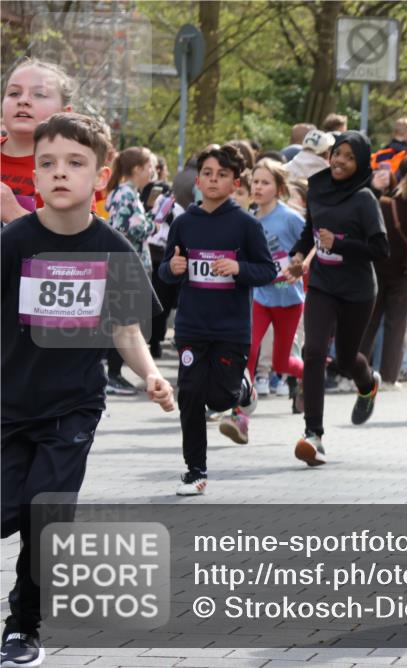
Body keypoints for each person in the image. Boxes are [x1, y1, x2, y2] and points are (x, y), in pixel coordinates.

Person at [1, 113, 175, 667]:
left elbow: (126, 330)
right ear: (34, 173)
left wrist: (149, 373)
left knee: (45, 516)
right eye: (46, 163)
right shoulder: (13, 242)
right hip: (6, 405)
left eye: (74, 164)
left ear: (100, 177)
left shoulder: (113, 250)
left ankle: (24, 627)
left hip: (70, 410)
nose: (59, 173)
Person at [158, 144, 277, 494]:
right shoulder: (182, 223)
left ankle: (242, 388)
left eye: (222, 175)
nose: (213, 180)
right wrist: (172, 268)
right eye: (208, 174)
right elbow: (166, 270)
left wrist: (239, 268)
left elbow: (267, 270)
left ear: (234, 183)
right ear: (198, 180)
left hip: (231, 327)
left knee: (220, 399)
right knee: (191, 396)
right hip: (192, 325)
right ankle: (196, 472)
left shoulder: (245, 225)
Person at [284, 131, 389, 466]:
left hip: (357, 291)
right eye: (337, 154)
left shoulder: (364, 200)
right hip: (324, 286)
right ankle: (313, 434)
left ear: (360, 165)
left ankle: (368, 383)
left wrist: (340, 244)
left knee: (345, 361)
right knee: (313, 351)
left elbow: (380, 249)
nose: (340, 162)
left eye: (349, 157)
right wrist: (299, 255)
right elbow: (309, 232)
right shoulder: (318, 187)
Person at [360, 169, 407, 387]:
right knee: (396, 325)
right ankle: (389, 378)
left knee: (369, 322)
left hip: (376, 270)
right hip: (404, 276)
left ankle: (356, 373)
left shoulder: (383, 204)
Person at [247, 158, 306, 412]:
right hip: (261, 297)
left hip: (289, 299)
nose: (258, 187)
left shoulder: (291, 218)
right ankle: (241, 406)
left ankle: (310, 374)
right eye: (255, 182)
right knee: (248, 348)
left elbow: (312, 248)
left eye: (265, 183)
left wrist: (299, 265)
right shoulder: (249, 219)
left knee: (282, 364)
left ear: (279, 188)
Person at [104, 146, 159, 394]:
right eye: (150, 167)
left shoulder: (129, 193)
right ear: (137, 168)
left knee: (129, 321)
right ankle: (113, 374)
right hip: (125, 266)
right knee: (125, 322)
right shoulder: (125, 194)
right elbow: (129, 229)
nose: (153, 172)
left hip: (131, 264)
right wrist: (155, 221)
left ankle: (116, 372)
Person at [1, 58, 75, 224]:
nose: (23, 100)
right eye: (14, 93)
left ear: (66, 113)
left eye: (39, 94)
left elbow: (76, 247)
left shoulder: (73, 171)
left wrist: (13, 213)